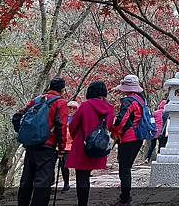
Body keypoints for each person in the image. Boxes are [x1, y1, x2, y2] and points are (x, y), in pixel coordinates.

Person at [14, 77, 69, 206]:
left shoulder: (37, 100)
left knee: (26, 180)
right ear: (62, 90)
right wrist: (61, 148)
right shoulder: (60, 103)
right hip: (47, 146)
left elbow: (17, 116)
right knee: (43, 182)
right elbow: (61, 125)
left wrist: (23, 133)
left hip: (31, 145)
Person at [65, 81, 114, 206]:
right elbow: (109, 127)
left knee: (82, 177)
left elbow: (73, 126)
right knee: (86, 175)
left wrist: (78, 137)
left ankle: (82, 203)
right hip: (100, 147)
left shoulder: (85, 106)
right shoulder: (110, 108)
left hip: (82, 145)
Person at [111, 75, 146, 206]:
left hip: (128, 138)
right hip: (139, 137)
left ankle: (125, 198)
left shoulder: (128, 101)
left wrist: (113, 132)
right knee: (127, 167)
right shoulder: (141, 100)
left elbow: (121, 121)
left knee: (124, 169)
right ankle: (125, 196)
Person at [60, 100, 79, 192]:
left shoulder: (78, 119)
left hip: (74, 144)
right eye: (69, 107)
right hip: (64, 144)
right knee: (64, 165)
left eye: (74, 108)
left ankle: (79, 182)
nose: (71, 109)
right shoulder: (63, 118)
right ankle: (66, 183)